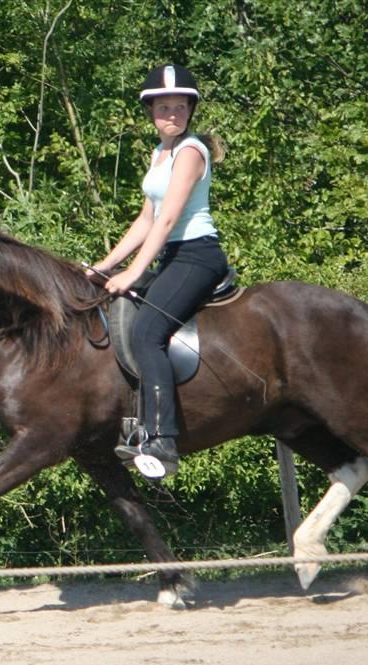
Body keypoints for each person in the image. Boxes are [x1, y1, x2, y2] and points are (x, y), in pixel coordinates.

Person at [88, 64, 228, 477]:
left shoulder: (190, 152)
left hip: (197, 255)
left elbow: (167, 221)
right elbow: (145, 219)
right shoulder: (160, 153)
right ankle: (131, 422)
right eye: (163, 107)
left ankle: (162, 441)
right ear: (151, 112)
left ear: (190, 110)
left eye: (179, 107)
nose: (172, 114)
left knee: (147, 333)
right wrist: (104, 265)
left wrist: (132, 273)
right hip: (170, 256)